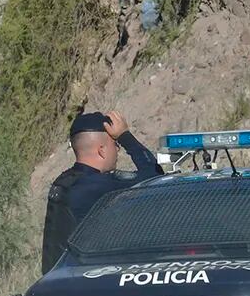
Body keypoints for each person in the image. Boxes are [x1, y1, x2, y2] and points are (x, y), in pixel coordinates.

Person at [40, 110, 164, 274]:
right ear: (102, 150)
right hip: (84, 283)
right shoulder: (98, 186)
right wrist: (125, 136)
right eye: (116, 145)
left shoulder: (64, 182)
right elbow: (154, 176)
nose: (118, 151)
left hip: (59, 281)